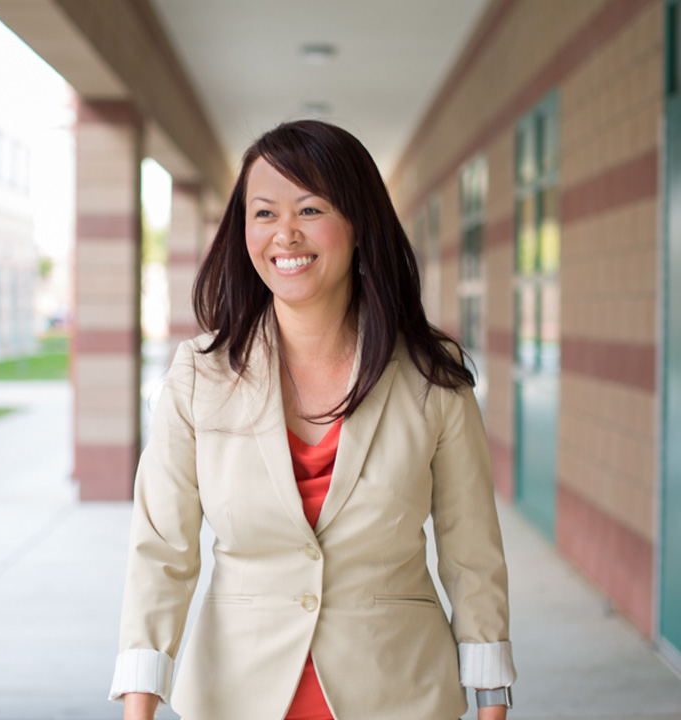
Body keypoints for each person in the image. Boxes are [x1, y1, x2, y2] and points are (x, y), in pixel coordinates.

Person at [108, 120, 516, 720]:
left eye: (310, 208)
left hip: (399, 694)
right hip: (235, 696)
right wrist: (138, 705)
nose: (286, 234)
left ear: (357, 225)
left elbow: (471, 550)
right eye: (265, 213)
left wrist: (490, 696)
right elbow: (161, 552)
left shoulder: (433, 375)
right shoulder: (200, 375)